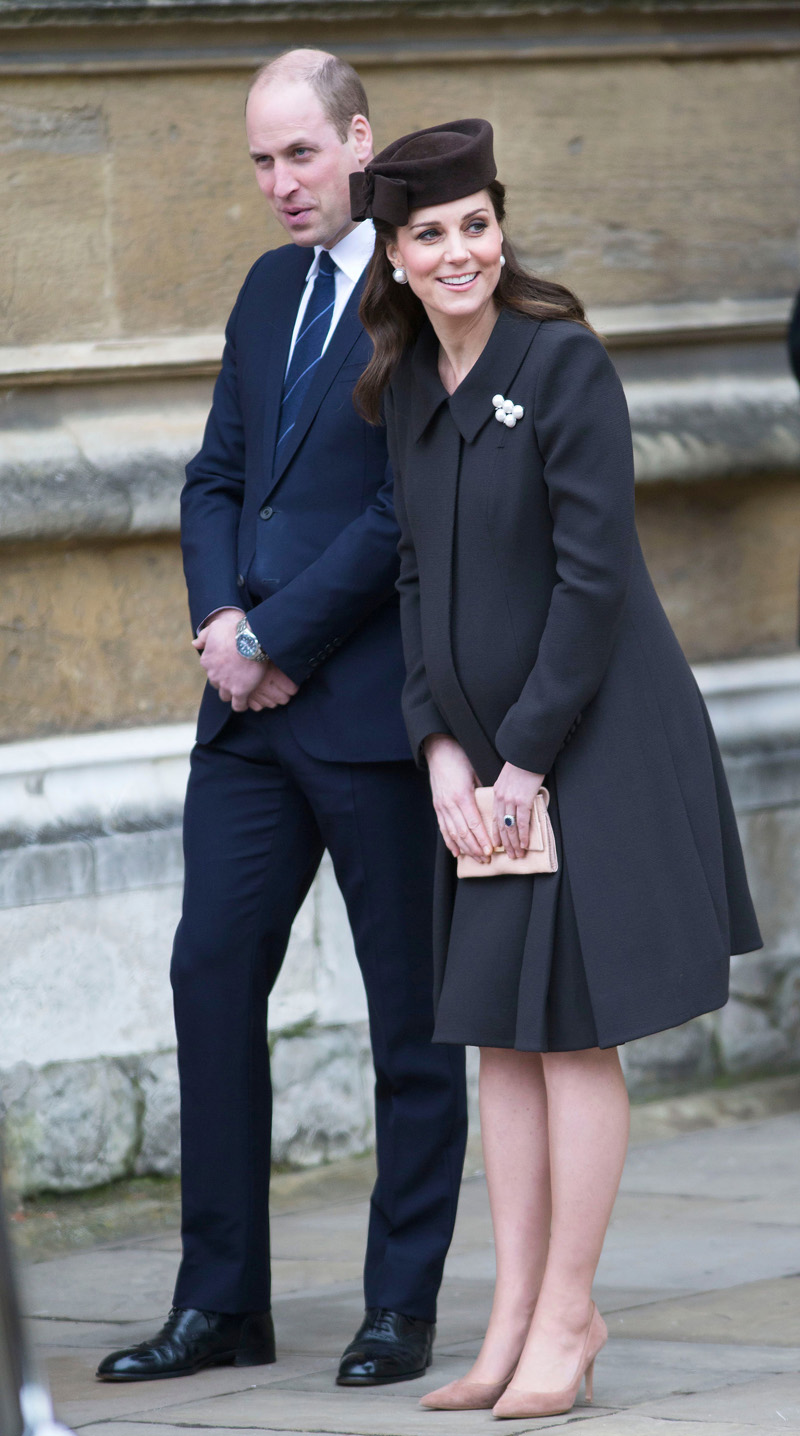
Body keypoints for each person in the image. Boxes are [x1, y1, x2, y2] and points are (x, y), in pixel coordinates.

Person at [349, 118, 763, 1419]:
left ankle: (572, 1313)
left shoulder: (565, 364)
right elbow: (415, 581)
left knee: (573, 1037)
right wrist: (438, 754)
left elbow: (593, 590)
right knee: (498, 1039)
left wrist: (517, 764)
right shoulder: (407, 387)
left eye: (478, 222)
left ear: (497, 225)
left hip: (589, 749)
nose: (462, 249)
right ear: (397, 257)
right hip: (481, 772)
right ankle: (512, 1313)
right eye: (433, 233)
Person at [96, 53, 467, 1390]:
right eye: (260, 162)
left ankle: (398, 1307)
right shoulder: (263, 291)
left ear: (358, 141)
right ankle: (222, 1305)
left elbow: (399, 513)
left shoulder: (418, 286)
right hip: (246, 722)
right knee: (210, 980)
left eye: (299, 156)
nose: (278, 186)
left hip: (366, 712)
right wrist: (220, 628)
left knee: (409, 1023)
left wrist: (276, 639)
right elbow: (216, 477)